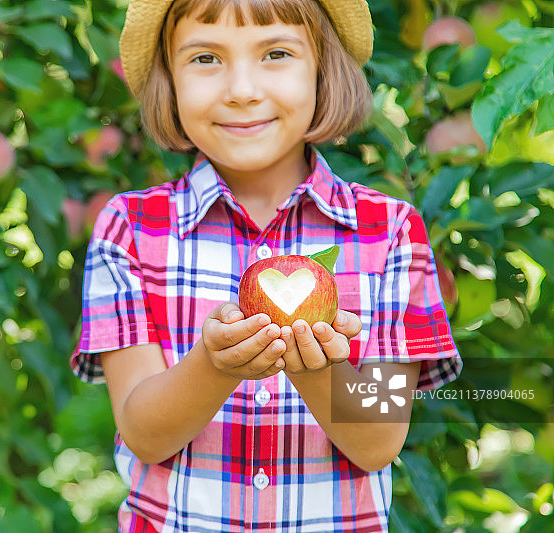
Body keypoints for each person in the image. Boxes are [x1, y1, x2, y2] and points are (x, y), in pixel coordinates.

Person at [71, 0, 463, 530]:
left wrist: (317, 368)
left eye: (276, 53)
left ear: (323, 69)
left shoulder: (390, 232)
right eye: (206, 58)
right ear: (170, 79)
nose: (242, 89)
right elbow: (143, 433)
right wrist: (213, 366)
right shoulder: (131, 229)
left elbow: (378, 442)